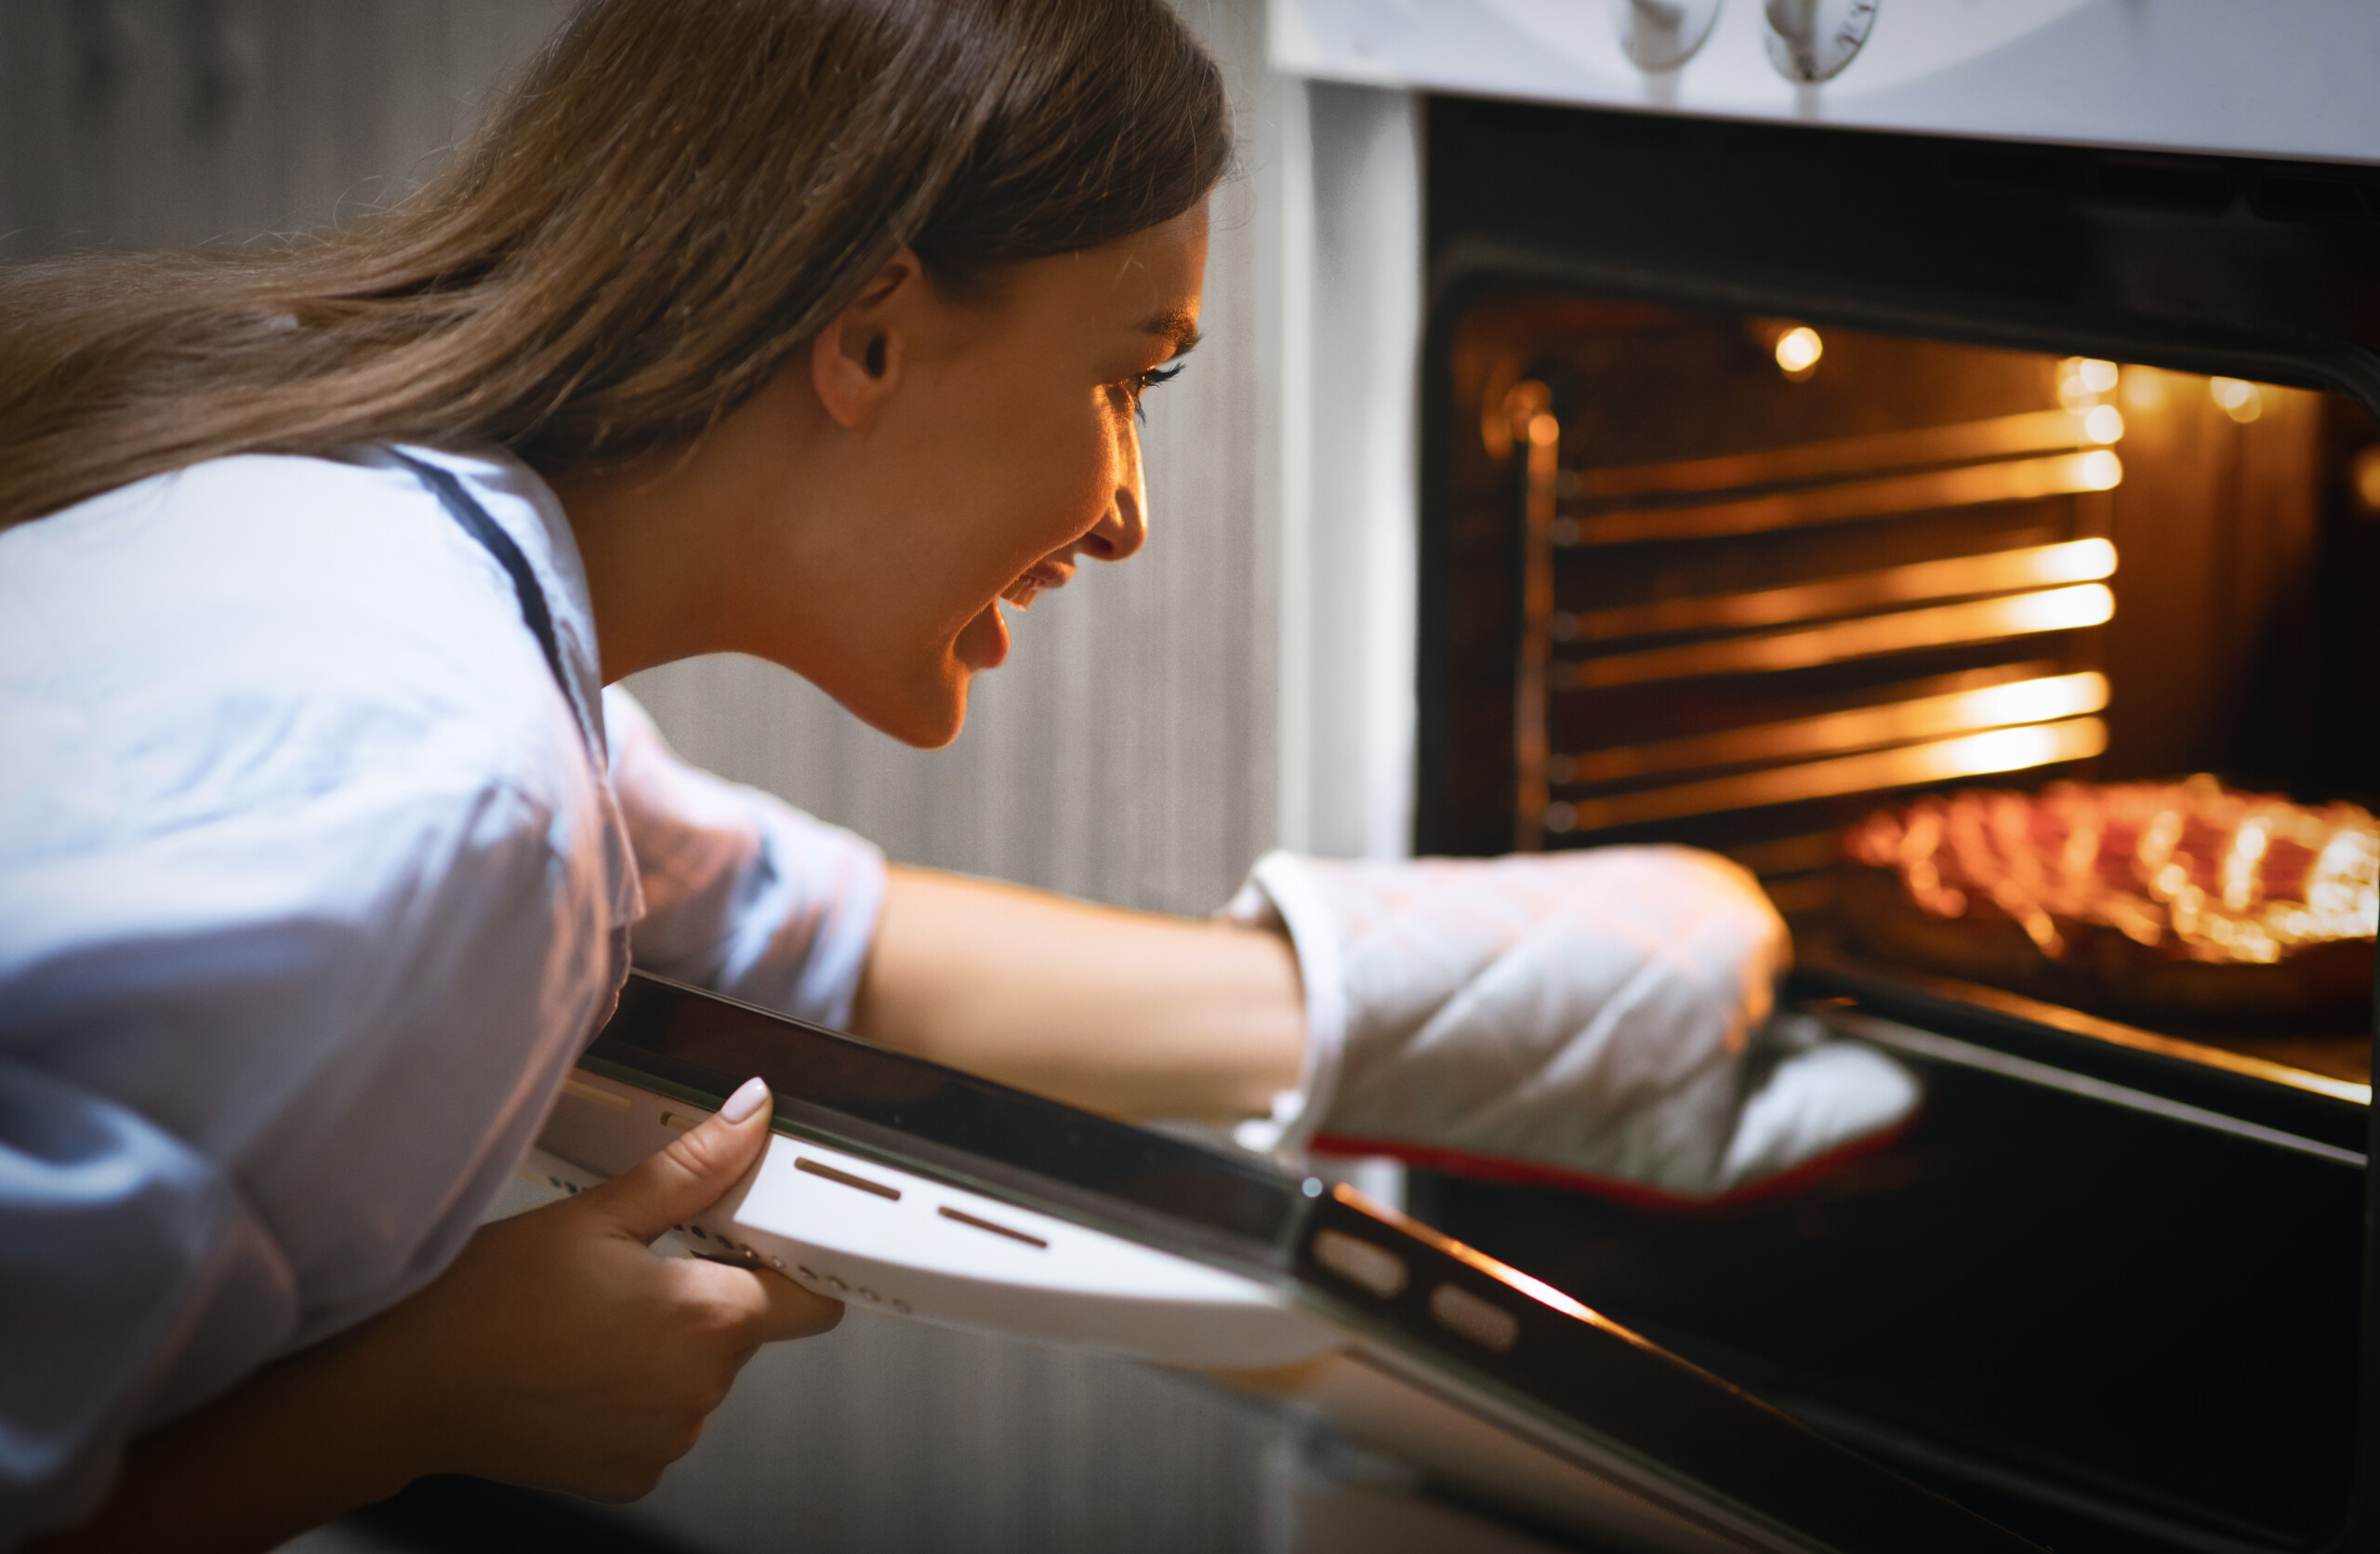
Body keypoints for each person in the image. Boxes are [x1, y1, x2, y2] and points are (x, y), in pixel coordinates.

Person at [0, 1, 1918, 1548]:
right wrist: (420, 1398)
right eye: (1129, 374)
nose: (1128, 510)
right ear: (870, 335)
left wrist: (1505, 1001)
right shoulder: (432, 794)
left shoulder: (392, 543)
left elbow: (802, 942)